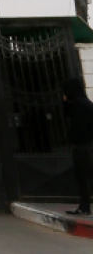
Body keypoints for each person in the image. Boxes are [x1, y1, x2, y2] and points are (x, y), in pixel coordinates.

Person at [62, 78, 93, 216]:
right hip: (86, 146)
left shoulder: (78, 106)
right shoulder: (85, 103)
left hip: (83, 147)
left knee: (83, 177)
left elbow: (75, 124)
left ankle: (84, 207)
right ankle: (84, 207)